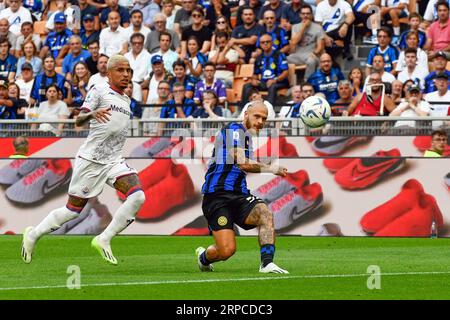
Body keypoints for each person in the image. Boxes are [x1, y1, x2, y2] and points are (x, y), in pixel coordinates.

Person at [21, 55, 146, 266]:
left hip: (114, 160)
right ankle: (33, 234)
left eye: (129, 71)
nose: (126, 75)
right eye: (121, 70)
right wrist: (93, 113)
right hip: (91, 160)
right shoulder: (98, 90)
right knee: (73, 210)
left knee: (138, 196)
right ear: (109, 72)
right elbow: (78, 120)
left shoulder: (126, 100)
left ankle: (103, 239)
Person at [195, 101, 289, 274]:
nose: (261, 121)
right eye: (257, 116)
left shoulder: (247, 138)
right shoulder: (233, 130)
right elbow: (243, 163)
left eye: (264, 119)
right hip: (217, 196)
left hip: (239, 195)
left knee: (264, 213)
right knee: (226, 251)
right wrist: (271, 168)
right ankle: (203, 258)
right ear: (246, 114)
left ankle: (267, 263)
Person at [241, 33, 289, 106]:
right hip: (264, 83)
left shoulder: (279, 55)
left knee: (272, 86)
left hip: (279, 82)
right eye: (263, 42)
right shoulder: (259, 57)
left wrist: (275, 80)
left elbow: (286, 72)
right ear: (260, 44)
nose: (265, 44)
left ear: (272, 42)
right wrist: (254, 80)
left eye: (268, 42)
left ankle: (269, 111)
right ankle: (243, 109)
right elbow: (255, 74)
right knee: (247, 86)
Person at [288, 4, 324, 80]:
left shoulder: (318, 28)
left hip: (311, 55)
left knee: (311, 61)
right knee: (284, 60)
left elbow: (320, 47)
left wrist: (314, 53)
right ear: (300, 15)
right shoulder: (295, 27)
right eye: (303, 14)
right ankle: (289, 84)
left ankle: (307, 82)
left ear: (311, 15)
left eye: (308, 14)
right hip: (297, 56)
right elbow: (293, 42)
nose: (305, 16)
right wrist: (303, 27)